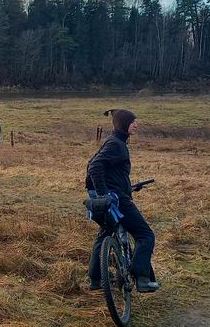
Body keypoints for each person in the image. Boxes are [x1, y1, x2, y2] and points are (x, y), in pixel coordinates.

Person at [86, 109, 159, 293]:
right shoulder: (117, 144)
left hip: (111, 195)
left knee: (104, 235)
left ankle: (96, 279)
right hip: (116, 200)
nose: (136, 124)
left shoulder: (113, 141)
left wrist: (128, 187)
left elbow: (98, 167)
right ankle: (142, 278)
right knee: (145, 236)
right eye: (133, 121)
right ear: (123, 124)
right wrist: (105, 195)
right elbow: (95, 167)